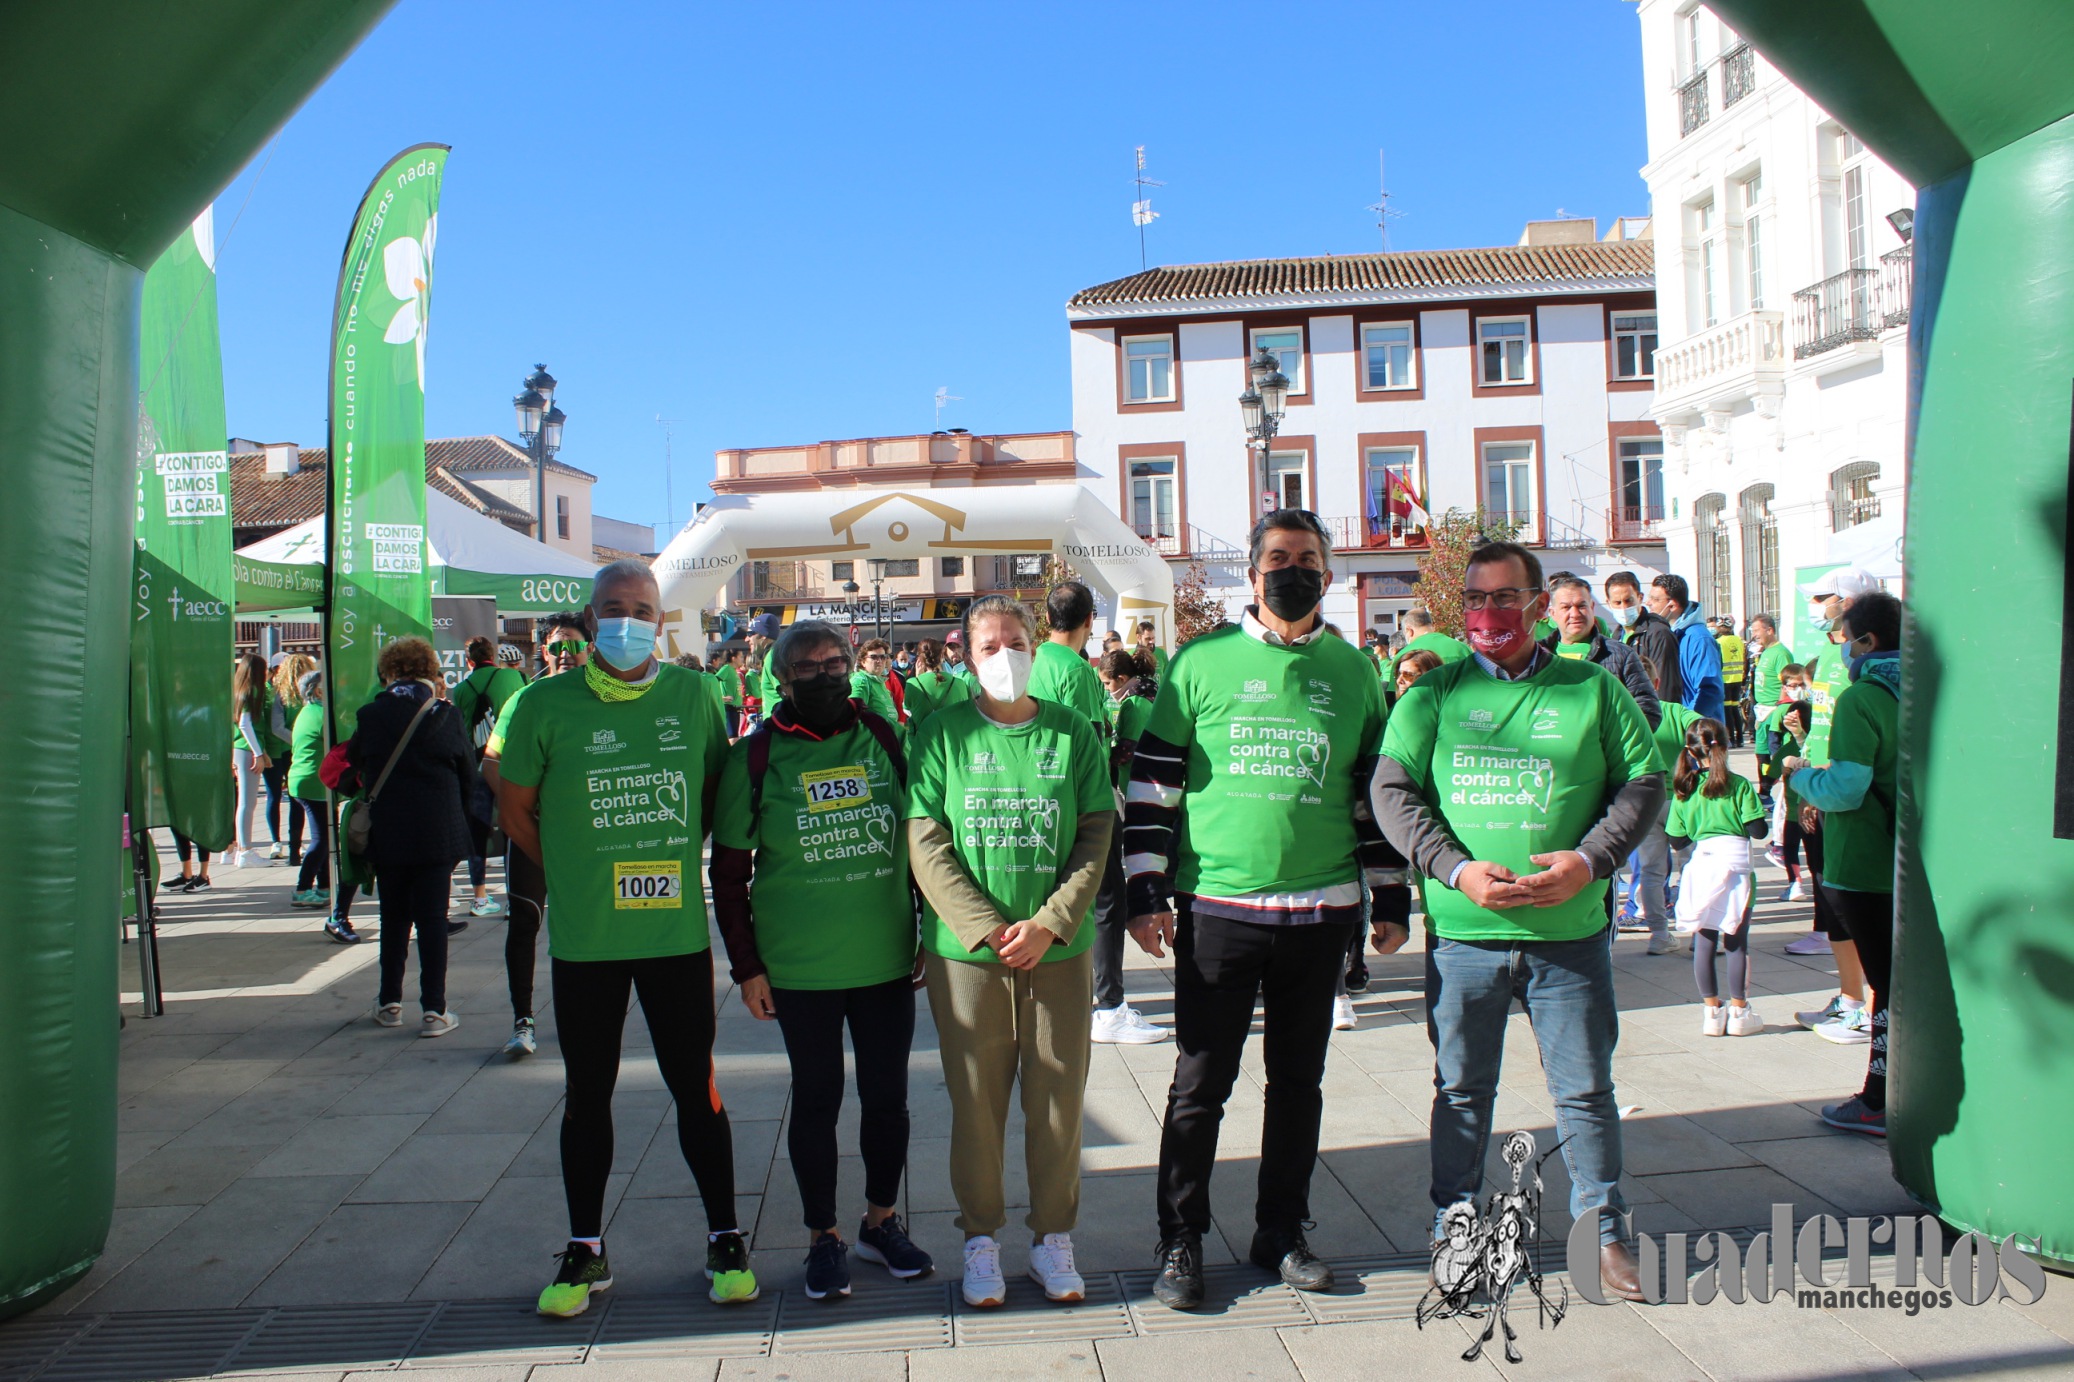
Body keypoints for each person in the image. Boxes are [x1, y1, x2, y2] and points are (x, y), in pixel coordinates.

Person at [1127, 509, 1410, 1311]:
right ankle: (1181, 1238)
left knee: (1298, 1084)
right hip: (1219, 906)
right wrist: (1147, 891)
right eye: (1279, 558)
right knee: (1199, 1085)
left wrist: (1388, 895)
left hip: (1320, 912)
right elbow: (1152, 787)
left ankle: (1280, 1232)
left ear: (1329, 573)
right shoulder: (1200, 664)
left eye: (1309, 559)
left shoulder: (1355, 671)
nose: (1295, 570)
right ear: (1252, 575)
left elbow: (1372, 797)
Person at [1370, 539, 1664, 1305]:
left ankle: (1605, 1234)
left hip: (1567, 939)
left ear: (1540, 605)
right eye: (1475, 599)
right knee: (1462, 1090)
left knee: (1586, 1091)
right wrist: (1455, 868)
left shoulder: (1593, 690)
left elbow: (1644, 784)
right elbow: (1394, 793)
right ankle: (1456, 1220)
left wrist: (1591, 860)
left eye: (1505, 598)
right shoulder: (1430, 697)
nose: (1488, 614)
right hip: (1465, 936)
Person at [497, 562, 754, 1317]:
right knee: (587, 1095)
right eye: (613, 609)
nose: (627, 621)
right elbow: (515, 810)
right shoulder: (543, 701)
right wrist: (573, 872)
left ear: (661, 618)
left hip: (673, 937)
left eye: (641, 610)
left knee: (695, 1088)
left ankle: (725, 1234)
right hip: (586, 942)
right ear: (587, 616)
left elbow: (715, 798)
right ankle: (585, 1248)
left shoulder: (695, 693)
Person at [711, 620, 933, 1302]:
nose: (826, 675)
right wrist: (746, 967)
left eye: (836, 662)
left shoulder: (886, 736)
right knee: (816, 1100)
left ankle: (880, 1222)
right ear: (781, 679)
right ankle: (822, 1237)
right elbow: (728, 874)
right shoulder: (757, 756)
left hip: (886, 959)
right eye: (807, 668)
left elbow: (925, 836)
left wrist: (928, 927)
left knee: (888, 1100)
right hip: (798, 969)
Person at [905, 595, 1112, 1310]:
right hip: (969, 957)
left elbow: (1094, 836)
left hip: (1058, 952)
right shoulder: (940, 735)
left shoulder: (1073, 734)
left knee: (1058, 1102)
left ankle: (1054, 1238)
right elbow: (926, 842)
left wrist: (1052, 922)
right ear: (966, 656)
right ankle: (981, 1240)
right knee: (977, 1104)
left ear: (1037, 645)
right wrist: (989, 929)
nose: (1005, 656)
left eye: (1016, 641)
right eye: (989, 645)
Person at [1785, 591, 1903, 1137]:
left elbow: (1848, 786)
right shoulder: (1922, 692)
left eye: (1842, 636)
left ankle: (1878, 1099)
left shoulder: (1863, 698)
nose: (1840, 646)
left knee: (1886, 987)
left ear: (1867, 642)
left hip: (1864, 860)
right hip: (1910, 857)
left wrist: (1802, 778)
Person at [348, 637, 478, 1038]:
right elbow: (467, 775)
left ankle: (389, 1003)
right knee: (432, 920)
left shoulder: (371, 714)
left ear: (388, 671)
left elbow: (355, 760)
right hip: (437, 831)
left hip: (389, 831)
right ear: (429, 670)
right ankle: (434, 1011)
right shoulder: (445, 714)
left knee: (394, 917)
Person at [481, 612, 589, 1056]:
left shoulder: (605, 700)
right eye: (557, 646)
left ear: (589, 651)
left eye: (574, 645)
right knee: (526, 921)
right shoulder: (522, 700)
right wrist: (520, 809)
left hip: (587, 836)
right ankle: (522, 1020)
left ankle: (584, 1015)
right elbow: (490, 762)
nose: (565, 655)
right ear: (544, 651)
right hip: (532, 833)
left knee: (585, 925)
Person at [1783, 567, 1882, 971]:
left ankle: (1859, 997)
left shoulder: (1861, 657)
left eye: (1823, 597)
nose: (1815, 606)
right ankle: (1848, 990)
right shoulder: (1828, 651)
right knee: (1824, 876)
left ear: (1850, 602)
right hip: (1820, 783)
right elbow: (1826, 722)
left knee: (1844, 889)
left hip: (1846, 788)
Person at [1665, 717, 1768, 1036]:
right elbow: (1758, 830)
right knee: (1737, 942)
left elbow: (1677, 839)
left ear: (1691, 752)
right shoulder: (1738, 785)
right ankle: (1739, 1011)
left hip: (1702, 866)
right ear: (1723, 745)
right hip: (1737, 867)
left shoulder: (1685, 790)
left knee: (1704, 939)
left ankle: (1712, 1012)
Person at [452, 635, 526, 920]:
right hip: (511, 763)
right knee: (514, 827)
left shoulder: (460, 690)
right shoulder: (513, 678)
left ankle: (480, 897)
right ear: (493, 656)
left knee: (477, 832)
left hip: (476, 767)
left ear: (469, 660)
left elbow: (460, 730)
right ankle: (514, 898)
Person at [1541, 576, 1662, 730]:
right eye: (1566, 607)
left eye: (1581, 606)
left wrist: (1609, 743)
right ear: (1552, 613)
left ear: (1592, 607)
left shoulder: (1620, 655)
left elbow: (1648, 710)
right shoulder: (1535, 656)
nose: (1575, 614)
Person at [1645, 574, 1725, 721]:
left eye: (1655, 600)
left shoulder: (1699, 639)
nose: (1648, 603)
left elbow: (1709, 691)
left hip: (1698, 733)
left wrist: (1686, 724)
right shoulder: (1667, 634)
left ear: (1673, 605)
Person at [1603, 572, 1682, 709]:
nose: (1624, 608)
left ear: (1640, 598)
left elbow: (1666, 687)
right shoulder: (1615, 638)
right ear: (1608, 603)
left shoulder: (1658, 633)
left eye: (1629, 600)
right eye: (1617, 602)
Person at [288, 668, 332, 911]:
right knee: (322, 838)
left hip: (306, 779)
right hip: (313, 781)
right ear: (317, 689)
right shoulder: (319, 713)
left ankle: (324, 886)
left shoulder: (307, 711)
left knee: (327, 836)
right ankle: (302, 889)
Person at [266, 653, 316, 862]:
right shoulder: (313, 692)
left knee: (274, 796)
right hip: (307, 750)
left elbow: (277, 727)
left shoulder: (281, 693)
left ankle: (282, 844)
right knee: (300, 801)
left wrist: (293, 740)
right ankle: (297, 847)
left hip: (284, 750)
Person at [231, 653, 273, 867]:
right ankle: (245, 850)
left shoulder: (238, 691)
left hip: (240, 749)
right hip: (247, 751)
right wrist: (258, 753)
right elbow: (245, 724)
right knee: (248, 802)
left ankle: (240, 849)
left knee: (244, 802)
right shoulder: (252, 691)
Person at [1747, 616, 1794, 804]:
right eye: (1753, 631)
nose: (1754, 635)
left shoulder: (1780, 653)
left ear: (1770, 630)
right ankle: (1764, 792)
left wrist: (1778, 710)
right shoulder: (1764, 653)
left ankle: (1770, 793)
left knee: (1773, 754)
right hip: (1761, 711)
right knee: (1761, 754)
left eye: (1757, 630)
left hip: (1773, 711)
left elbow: (1788, 683)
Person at [1383, 608, 1469, 704]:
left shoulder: (1405, 655)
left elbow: (1394, 696)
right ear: (1432, 626)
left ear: (1409, 631)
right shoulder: (1463, 648)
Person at [901, 639, 972, 736]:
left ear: (920, 659)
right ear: (942, 656)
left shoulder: (912, 684)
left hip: (923, 743)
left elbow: (907, 709)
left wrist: (918, 677)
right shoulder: (959, 683)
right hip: (953, 742)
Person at [851, 638, 902, 733]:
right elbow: (853, 716)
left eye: (883, 657)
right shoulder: (861, 680)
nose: (879, 661)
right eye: (874, 657)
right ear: (863, 661)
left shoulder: (879, 682)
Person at [1716, 621, 1749, 745]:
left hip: (1725, 679)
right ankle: (1740, 738)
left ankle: (1730, 738)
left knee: (1727, 710)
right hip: (1737, 678)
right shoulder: (1738, 640)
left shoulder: (1719, 642)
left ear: (1719, 628)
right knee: (1735, 708)